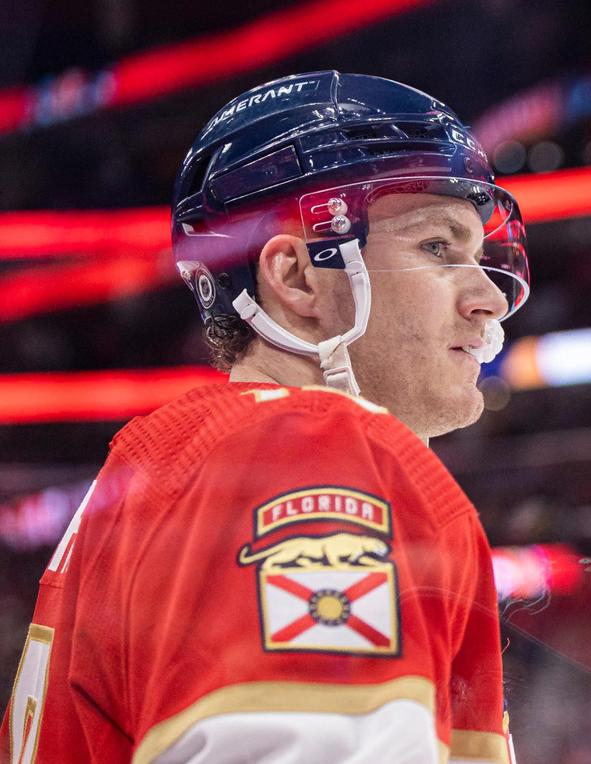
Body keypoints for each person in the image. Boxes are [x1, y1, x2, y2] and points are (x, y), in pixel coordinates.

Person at [2, 71, 529, 763]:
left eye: (478, 255)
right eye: (437, 247)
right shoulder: (302, 446)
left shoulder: (179, 462)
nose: (488, 297)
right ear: (299, 278)